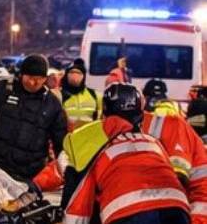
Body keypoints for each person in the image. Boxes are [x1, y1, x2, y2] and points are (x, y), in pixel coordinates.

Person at [62, 84, 191, 224]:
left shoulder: (102, 151)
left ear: (104, 112)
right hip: (176, 206)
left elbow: (80, 205)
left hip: (127, 210)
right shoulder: (153, 143)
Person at [0, 55, 67, 182]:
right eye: (30, 78)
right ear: (22, 75)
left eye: (39, 79)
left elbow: (60, 140)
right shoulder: (4, 89)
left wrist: (65, 167)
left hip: (30, 173)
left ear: (45, 79)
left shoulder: (52, 103)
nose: (34, 83)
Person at [60, 59, 101, 129]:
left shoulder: (95, 95)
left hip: (89, 135)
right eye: (72, 72)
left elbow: (100, 118)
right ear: (66, 75)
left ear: (83, 76)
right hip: (66, 136)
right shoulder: (59, 95)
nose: (75, 76)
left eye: (79, 73)